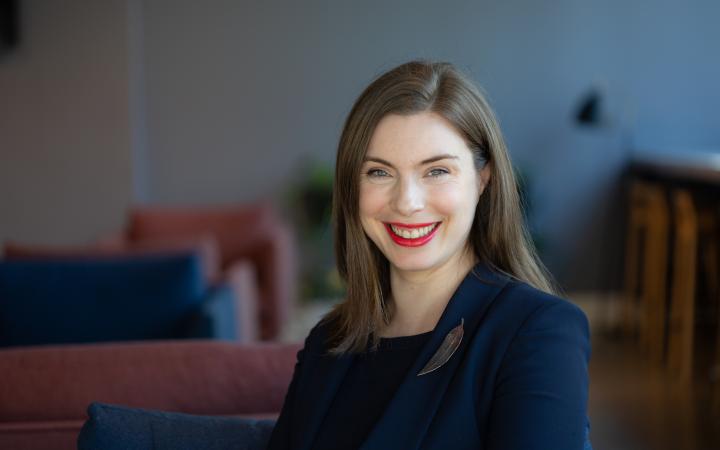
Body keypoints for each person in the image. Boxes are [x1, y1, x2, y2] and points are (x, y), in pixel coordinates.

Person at [267, 60, 591, 450]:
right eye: (379, 173)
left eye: (436, 171)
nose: (407, 202)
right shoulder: (329, 340)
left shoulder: (536, 333)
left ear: (482, 180)